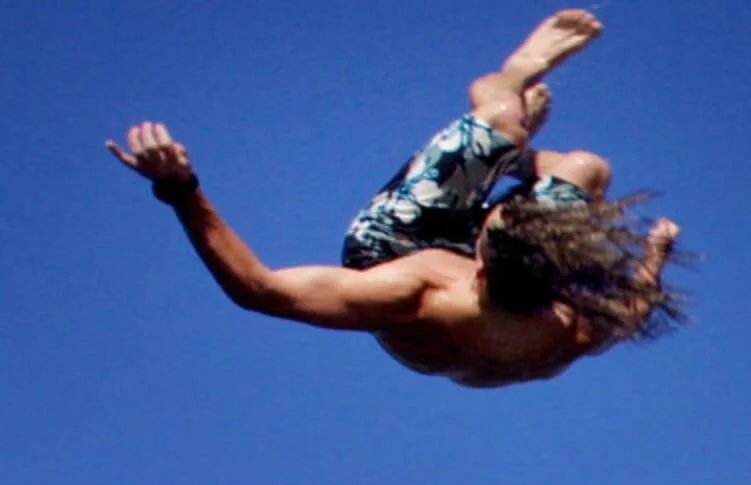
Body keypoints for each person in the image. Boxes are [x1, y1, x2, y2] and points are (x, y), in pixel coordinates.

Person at [108, 10, 684, 388]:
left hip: (393, 242)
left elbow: (260, 291)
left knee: (502, 118)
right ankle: (505, 147)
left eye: (495, 215)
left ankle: (507, 96)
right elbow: (632, 310)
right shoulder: (569, 325)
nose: (491, 210)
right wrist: (655, 253)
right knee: (587, 169)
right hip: (515, 275)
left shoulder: (414, 291)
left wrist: (180, 189)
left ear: (483, 257)